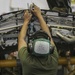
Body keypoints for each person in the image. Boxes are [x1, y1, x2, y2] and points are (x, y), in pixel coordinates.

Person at [18, 4, 59, 75]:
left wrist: (26, 21)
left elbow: (21, 39)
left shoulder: (27, 61)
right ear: (50, 49)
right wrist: (39, 16)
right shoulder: (53, 60)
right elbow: (49, 36)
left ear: (31, 47)